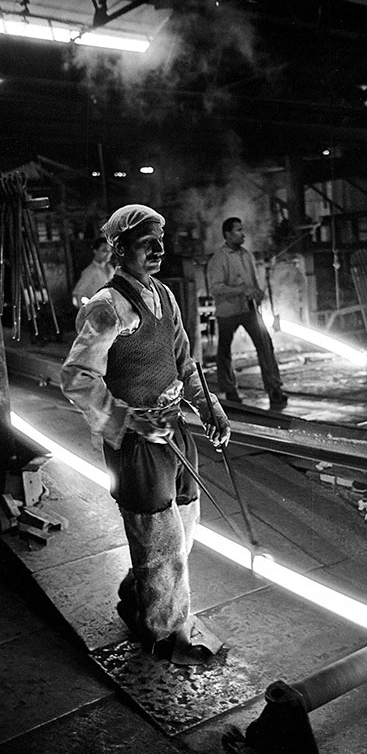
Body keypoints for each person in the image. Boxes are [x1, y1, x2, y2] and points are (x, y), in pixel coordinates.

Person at [61, 204, 230, 665]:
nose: (158, 250)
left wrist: (207, 404)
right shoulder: (106, 307)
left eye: (161, 240)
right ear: (118, 250)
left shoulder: (164, 296)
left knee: (185, 526)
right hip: (137, 444)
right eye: (145, 242)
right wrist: (128, 420)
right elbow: (77, 377)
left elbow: (183, 360)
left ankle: (138, 593)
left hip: (173, 430)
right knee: (161, 544)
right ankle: (165, 635)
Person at [207, 217, 288, 409]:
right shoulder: (219, 259)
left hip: (249, 308)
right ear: (227, 234)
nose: (243, 234)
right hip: (227, 311)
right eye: (238, 230)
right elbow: (216, 288)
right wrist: (242, 290)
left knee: (265, 346)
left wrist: (258, 292)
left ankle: (274, 389)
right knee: (224, 352)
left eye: (242, 230)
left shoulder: (246, 255)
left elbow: (252, 281)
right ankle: (230, 390)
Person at [72, 236, 115, 308]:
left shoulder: (110, 269)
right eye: (104, 251)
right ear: (95, 251)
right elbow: (77, 294)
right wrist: (86, 312)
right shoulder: (90, 271)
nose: (109, 253)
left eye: (110, 251)